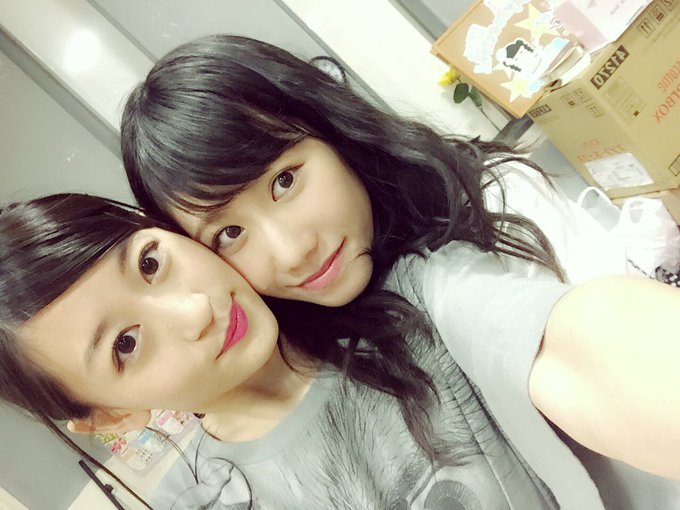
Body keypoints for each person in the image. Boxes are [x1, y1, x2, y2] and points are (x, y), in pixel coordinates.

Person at [120, 35, 680, 508]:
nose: (291, 253)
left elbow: (585, 345)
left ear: (329, 128)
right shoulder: (319, 360)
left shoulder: (493, 198)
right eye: (229, 234)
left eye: (284, 181)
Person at [2, 193, 587, 509]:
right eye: (126, 344)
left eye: (151, 263)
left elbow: (577, 349)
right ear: (110, 416)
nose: (195, 310)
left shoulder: (407, 311)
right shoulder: (205, 502)